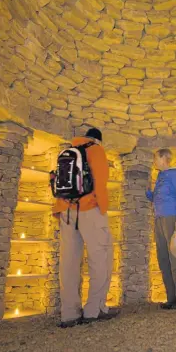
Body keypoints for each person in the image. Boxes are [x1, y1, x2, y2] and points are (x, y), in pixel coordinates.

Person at [52, 128, 118, 328]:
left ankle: (69, 314)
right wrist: (102, 207)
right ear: (98, 139)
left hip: (66, 211)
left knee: (69, 263)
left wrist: (60, 210)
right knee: (101, 259)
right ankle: (94, 310)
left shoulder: (69, 150)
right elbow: (100, 182)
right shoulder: (96, 150)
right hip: (90, 210)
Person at [146, 148, 176, 310]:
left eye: (156, 158)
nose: (154, 161)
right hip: (159, 219)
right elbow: (158, 197)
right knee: (163, 259)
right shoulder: (160, 176)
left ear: (163, 159)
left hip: (172, 218)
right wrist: (149, 192)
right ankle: (172, 298)